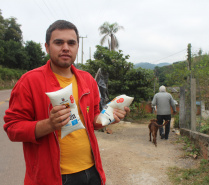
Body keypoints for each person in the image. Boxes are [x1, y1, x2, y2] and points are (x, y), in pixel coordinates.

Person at [3, 20, 129, 185]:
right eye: (58, 42)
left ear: (77, 47)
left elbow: (91, 121)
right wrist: (49, 124)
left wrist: (108, 116)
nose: (65, 47)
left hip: (92, 171)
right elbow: (12, 128)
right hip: (53, 177)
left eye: (71, 43)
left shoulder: (87, 80)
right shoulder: (29, 81)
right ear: (47, 47)